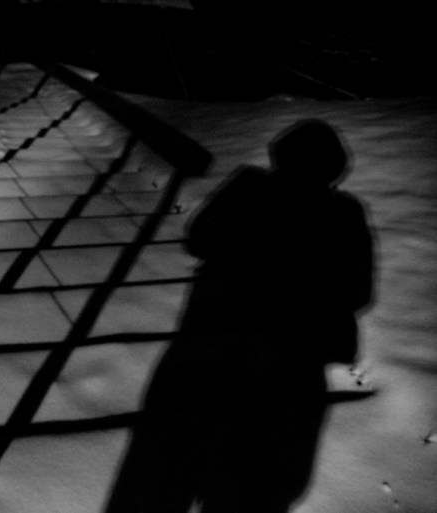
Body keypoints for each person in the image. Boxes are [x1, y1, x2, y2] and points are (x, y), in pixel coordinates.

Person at [106, 119, 375, 513]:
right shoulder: (342, 212)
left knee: (166, 474)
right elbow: (357, 292)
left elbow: (198, 236)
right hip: (287, 368)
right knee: (250, 488)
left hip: (211, 349)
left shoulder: (251, 187)